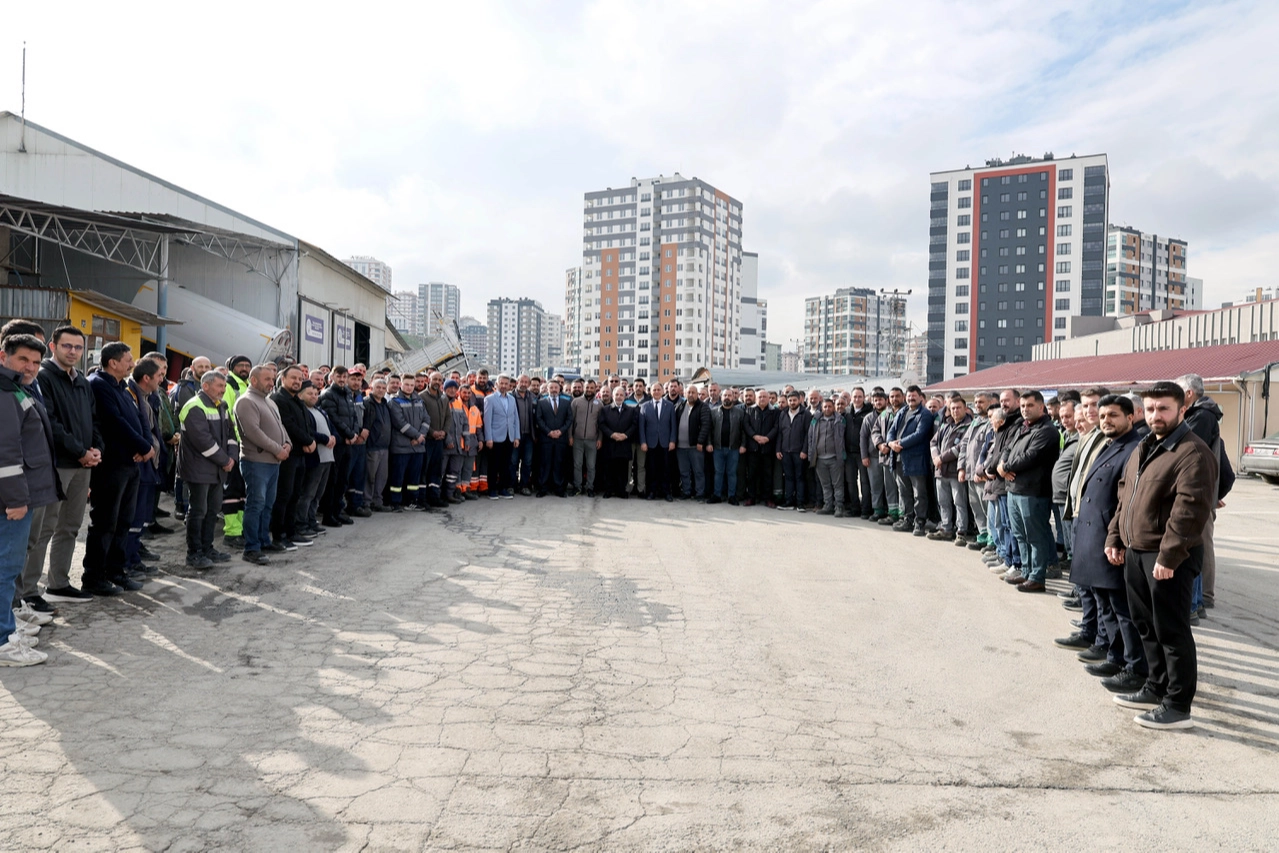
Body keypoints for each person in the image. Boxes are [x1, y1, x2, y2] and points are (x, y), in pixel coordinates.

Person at [1106, 381, 1217, 730]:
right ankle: (1155, 686)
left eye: (1164, 408)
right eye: (1151, 409)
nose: (1156, 415)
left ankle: (1178, 705)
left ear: (1182, 409)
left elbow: (1190, 510)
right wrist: (1116, 536)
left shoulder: (1192, 452)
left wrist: (1168, 557)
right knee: (1145, 625)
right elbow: (1126, 496)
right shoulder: (1144, 446)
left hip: (1168, 558)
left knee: (1171, 630)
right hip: (1137, 551)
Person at [1066, 394, 1147, 694]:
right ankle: (1115, 656)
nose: (1106, 421)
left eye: (1113, 415)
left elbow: (1128, 501)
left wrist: (1118, 539)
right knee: (1105, 604)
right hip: (1094, 536)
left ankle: (1135, 667)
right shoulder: (1110, 444)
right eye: (1102, 416)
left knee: (1122, 609)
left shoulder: (1134, 448)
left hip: (1111, 539)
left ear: (1130, 417)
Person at [22, 326, 101, 607]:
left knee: (70, 526)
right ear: (53, 346)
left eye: (78, 347)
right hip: (58, 464)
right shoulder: (43, 376)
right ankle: (29, 591)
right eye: (67, 346)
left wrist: (95, 449)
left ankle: (59, 583)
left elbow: (93, 420)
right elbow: (50, 423)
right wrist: (80, 452)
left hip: (83, 464)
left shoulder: (81, 381)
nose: (73, 352)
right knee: (44, 529)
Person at [0, 333, 60, 666]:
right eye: (23, 359)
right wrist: (16, 500)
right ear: (3, 355)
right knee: (4, 571)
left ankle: (7, 630)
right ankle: (3, 643)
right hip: (12, 502)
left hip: (19, 497)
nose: (31, 368)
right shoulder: (5, 392)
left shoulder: (15, 389)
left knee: (7, 570)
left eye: (36, 362)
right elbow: (6, 454)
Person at [82, 343, 153, 595]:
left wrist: (146, 445)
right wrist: (144, 445)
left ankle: (115, 571)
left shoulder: (123, 387)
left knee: (123, 521)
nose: (132, 364)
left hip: (130, 463)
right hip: (111, 466)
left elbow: (139, 419)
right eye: (128, 360)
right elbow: (115, 422)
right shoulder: (99, 385)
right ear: (113, 362)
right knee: (105, 523)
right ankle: (94, 576)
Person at [997, 390, 1060, 592]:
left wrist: (1005, 468)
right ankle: (1026, 571)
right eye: (1023, 406)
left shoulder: (1047, 431)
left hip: (1034, 492)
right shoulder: (1023, 427)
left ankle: (1037, 577)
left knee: (1035, 535)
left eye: (1030, 405)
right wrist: (1001, 464)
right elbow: (1007, 448)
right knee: (1020, 534)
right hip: (1014, 489)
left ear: (1041, 407)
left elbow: (1030, 456)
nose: (1025, 409)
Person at [177, 370, 238, 569]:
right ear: (206, 386)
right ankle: (194, 553)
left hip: (218, 468)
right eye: (220, 386)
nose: (223, 390)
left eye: (224, 386)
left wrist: (232, 458)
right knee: (198, 511)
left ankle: (207, 548)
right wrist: (225, 460)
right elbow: (203, 441)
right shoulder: (194, 406)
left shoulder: (222, 405)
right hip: (199, 469)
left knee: (212, 510)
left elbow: (231, 433)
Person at [1177, 373, 1225, 617]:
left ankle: (1203, 599)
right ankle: (1200, 599)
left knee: (1200, 544)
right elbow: (1225, 466)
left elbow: (1185, 451)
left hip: (1199, 494)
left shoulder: (1201, 417)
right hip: (1204, 493)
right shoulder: (1202, 415)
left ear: (1188, 393)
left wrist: (1215, 492)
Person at [234, 364, 291, 565]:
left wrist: (287, 443)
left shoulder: (269, 401)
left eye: (272, 378)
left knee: (267, 504)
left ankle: (263, 541)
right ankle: (251, 548)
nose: (271, 382)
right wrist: (278, 449)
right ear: (254, 380)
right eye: (267, 378)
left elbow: (280, 425)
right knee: (256, 505)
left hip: (273, 462)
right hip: (256, 462)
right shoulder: (246, 402)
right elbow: (253, 433)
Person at [270, 365, 315, 549]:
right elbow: (288, 425)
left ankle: (291, 531)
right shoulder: (278, 399)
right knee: (283, 496)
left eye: (300, 378)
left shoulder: (297, 400)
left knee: (295, 495)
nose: (297, 381)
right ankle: (279, 535)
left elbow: (304, 425)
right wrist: (308, 440)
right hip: (287, 455)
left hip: (300, 455)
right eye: (293, 378)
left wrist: (309, 440)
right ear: (283, 379)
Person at [888, 386, 935, 536]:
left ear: (920, 397)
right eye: (908, 396)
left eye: (914, 396)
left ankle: (920, 521)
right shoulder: (902, 411)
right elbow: (891, 431)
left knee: (919, 493)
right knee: (904, 491)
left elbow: (920, 434)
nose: (911, 399)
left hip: (916, 459)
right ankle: (908, 519)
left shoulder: (925, 414)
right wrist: (890, 443)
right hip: (899, 458)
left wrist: (899, 443)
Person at [220, 355, 253, 547]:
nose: (244, 368)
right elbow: (227, 416)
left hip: (245, 445)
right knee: (232, 491)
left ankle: (239, 529)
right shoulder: (230, 385)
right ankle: (231, 533)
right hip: (234, 445)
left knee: (242, 491)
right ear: (232, 367)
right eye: (240, 365)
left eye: (247, 365)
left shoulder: (246, 384)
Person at [319, 366, 358, 524]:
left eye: (344, 377)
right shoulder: (328, 394)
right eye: (339, 376)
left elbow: (353, 416)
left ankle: (338, 510)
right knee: (332, 481)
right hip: (337, 444)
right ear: (332, 377)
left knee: (343, 480)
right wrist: (348, 434)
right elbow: (333, 418)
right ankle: (329, 515)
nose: (342, 380)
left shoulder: (348, 393)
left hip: (348, 442)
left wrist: (354, 433)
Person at [930, 395, 972, 541]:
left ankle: (961, 531)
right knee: (943, 502)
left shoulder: (969, 425)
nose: (955, 411)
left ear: (965, 408)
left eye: (958, 408)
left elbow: (961, 447)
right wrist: (936, 456)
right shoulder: (945, 425)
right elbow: (933, 442)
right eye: (952, 408)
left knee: (959, 502)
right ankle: (946, 528)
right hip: (940, 471)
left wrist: (941, 458)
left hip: (956, 471)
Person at [955, 392, 994, 549]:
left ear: (990, 402)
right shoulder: (975, 422)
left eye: (981, 402)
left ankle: (992, 540)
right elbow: (964, 445)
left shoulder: (991, 422)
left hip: (982, 475)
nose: (978, 405)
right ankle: (982, 535)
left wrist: (982, 471)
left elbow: (989, 449)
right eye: (976, 402)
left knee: (987, 509)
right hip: (970, 472)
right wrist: (961, 467)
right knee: (975, 506)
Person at [296, 380, 335, 534]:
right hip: (315, 458)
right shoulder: (302, 411)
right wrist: (325, 439)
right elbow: (308, 431)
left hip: (327, 457)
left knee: (318, 494)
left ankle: (311, 520)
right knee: (308, 493)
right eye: (309, 393)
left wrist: (334, 437)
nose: (313, 396)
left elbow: (330, 428)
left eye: (315, 394)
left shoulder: (320, 410)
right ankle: (301, 523)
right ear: (300, 395)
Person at [387, 373, 429, 511]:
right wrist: (417, 436)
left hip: (418, 447)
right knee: (397, 478)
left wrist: (421, 435)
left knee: (414, 478)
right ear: (401, 384)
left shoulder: (419, 401)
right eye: (407, 384)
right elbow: (400, 423)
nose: (410, 387)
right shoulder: (395, 401)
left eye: (412, 385)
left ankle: (412, 500)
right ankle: (395, 502)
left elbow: (426, 420)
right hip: (401, 447)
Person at [639, 380, 680, 502]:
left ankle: (666, 492)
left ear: (663, 391)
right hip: (650, 443)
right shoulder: (644, 406)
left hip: (665, 443)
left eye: (658, 389)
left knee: (666, 469)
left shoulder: (669, 406)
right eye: (654, 390)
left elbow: (673, 425)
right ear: (650, 392)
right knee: (651, 469)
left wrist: (673, 440)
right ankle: (652, 491)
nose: (656, 392)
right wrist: (643, 442)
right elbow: (642, 427)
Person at [807, 397, 847, 517]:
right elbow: (810, 438)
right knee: (825, 484)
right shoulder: (815, 420)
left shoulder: (840, 420)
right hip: (819, 459)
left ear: (833, 407)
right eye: (825, 406)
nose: (827, 408)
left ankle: (839, 506)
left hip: (835, 458)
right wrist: (811, 454)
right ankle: (828, 505)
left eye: (830, 406)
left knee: (837, 484)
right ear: (821, 407)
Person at [707, 388, 747, 505]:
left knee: (732, 473)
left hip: (733, 448)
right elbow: (710, 430)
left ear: (733, 398)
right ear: (721, 397)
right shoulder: (714, 412)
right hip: (718, 448)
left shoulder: (740, 413)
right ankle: (717, 495)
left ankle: (731, 496)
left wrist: (743, 445)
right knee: (718, 472)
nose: (727, 398)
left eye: (729, 395)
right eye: (725, 395)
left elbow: (744, 431)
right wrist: (709, 443)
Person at [483, 374, 520, 500]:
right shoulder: (490, 399)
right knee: (494, 465)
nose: (504, 386)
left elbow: (515, 419)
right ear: (496, 384)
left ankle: (503, 488)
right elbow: (487, 421)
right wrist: (488, 438)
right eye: (501, 383)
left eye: (506, 384)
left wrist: (516, 437)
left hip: (509, 437)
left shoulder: (512, 399)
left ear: (509, 386)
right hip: (495, 438)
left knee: (506, 465)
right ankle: (492, 490)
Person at [534, 379, 573, 497]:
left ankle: (559, 488)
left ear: (559, 389)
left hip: (561, 439)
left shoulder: (566, 403)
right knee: (545, 464)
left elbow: (569, 419)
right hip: (546, 439)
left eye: (556, 388)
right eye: (551, 388)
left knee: (559, 463)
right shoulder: (541, 402)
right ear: (547, 389)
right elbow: (539, 419)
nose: (554, 390)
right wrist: (549, 432)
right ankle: (543, 488)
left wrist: (561, 431)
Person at [598, 386, 638, 499]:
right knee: (609, 468)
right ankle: (609, 490)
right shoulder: (605, 410)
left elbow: (634, 424)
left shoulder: (630, 410)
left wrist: (625, 435)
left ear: (625, 397)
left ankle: (621, 490)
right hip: (610, 443)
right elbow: (601, 424)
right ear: (612, 396)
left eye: (621, 395)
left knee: (623, 469)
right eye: (616, 395)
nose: (619, 397)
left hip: (624, 443)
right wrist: (611, 434)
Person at [744, 386, 779, 508]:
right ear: (756, 398)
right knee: (752, 474)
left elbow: (776, 427)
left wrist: (767, 438)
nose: (762, 399)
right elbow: (746, 425)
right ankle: (751, 497)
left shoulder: (775, 411)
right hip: (753, 447)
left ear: (769, 398)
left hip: (768, 448)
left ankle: (768, 498)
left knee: (767, 475)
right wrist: (755, 436)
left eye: (764, 397)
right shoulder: (749, 410)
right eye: (760, 397)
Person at [674, 385, 709, 500]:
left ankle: (700, 493)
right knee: (684, 471)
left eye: (693, 392)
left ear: (697, 394)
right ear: (684, 393)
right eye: (688, 392)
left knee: (698, 471)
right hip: (680, 446)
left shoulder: (703, 407)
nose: (691, 394)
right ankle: (686, 491)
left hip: (695, 446)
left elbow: (705, 425)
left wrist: (700, 441)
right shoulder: (680, 406)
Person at [777, 390, 809, 511]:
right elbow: (780, 433)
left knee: (800, 477)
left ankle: (800, 503)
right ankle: (789, 501)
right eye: (790, 400)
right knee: (789, 477)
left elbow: (808, 434)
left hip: (799, 452)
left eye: (794, 400)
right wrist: (778, 449)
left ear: (799, 400)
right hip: (785, 451)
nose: (792, 402)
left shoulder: (805, 414)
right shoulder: (783, 414)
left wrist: (804, 450)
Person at [363, 378, 391, 512]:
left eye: (383, 388)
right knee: (370, 476)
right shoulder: (367, 403)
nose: (380, 390)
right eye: (378, 387)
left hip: (384, 447)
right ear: (371, 388)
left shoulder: (385, 404)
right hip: (372, 447)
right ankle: (366, 502)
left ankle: (377, 501)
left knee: (381, 477)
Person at [570, 378, 602, 496]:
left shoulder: (599, 404)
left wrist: (600, 439)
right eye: (587, 388)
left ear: (595, 389)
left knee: (591, 465)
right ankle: (577, 487)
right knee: (577, 464)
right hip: (577, 439)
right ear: (584, 388)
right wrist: (570, 436)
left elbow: (601, 424)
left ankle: (590, 487)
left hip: (592, 440)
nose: (589, 390)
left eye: (591, 388)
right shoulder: (576, 402)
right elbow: (571, 421)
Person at [441, 380, 471, 502]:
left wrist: (467, 440)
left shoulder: (459, 404)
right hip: (444, 446)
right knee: (441, 472)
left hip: (458, 446)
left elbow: (465, 424)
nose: (452, 390)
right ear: (444, 388)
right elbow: (441, 423)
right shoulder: (442, 402)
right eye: (450, 388)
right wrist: (447, 440)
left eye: (455, 388)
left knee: (454, 472)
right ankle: (437, 495)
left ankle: (450, 494)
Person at [513, 374, 538, 495]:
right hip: (515, 435)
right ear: (517, 382)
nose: (523, 384)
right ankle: (511, 485)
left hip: (529, 435)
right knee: (513, 461)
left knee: (527, 462)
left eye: (525, 382)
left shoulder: (533, 397)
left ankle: (524, 485)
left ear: (528, 384)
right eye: (521, 381)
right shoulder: (511, 396)